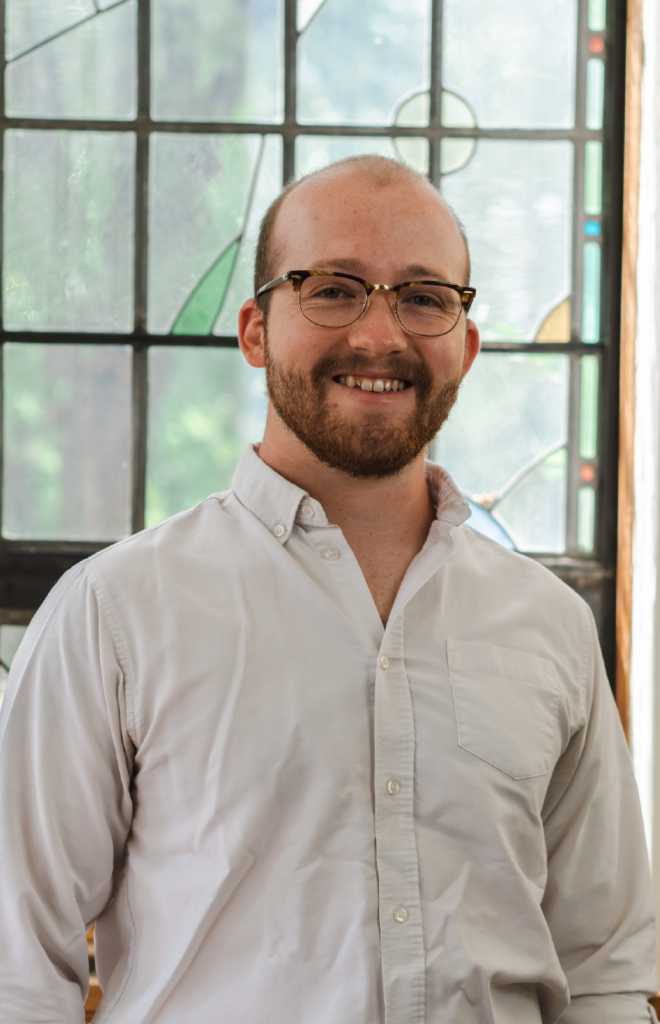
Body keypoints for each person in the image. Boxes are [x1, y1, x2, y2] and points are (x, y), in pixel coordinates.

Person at [0, 155, 656, 1024]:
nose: (379, 335)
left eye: (424, 297)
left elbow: (603, 975)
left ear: (464, 342)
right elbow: (16, 967)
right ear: (255, 330)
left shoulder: (551, 628)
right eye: (333, 288)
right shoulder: (112, 615)